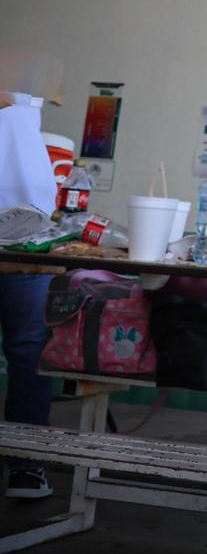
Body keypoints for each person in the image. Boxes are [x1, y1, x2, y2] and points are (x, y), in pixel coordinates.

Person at [0, 90, 58, 499]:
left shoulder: (23, 100)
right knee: (28, 352)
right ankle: (26, 466)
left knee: (29, 353)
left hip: (24, 245)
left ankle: (26, 464)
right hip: (24, 241)